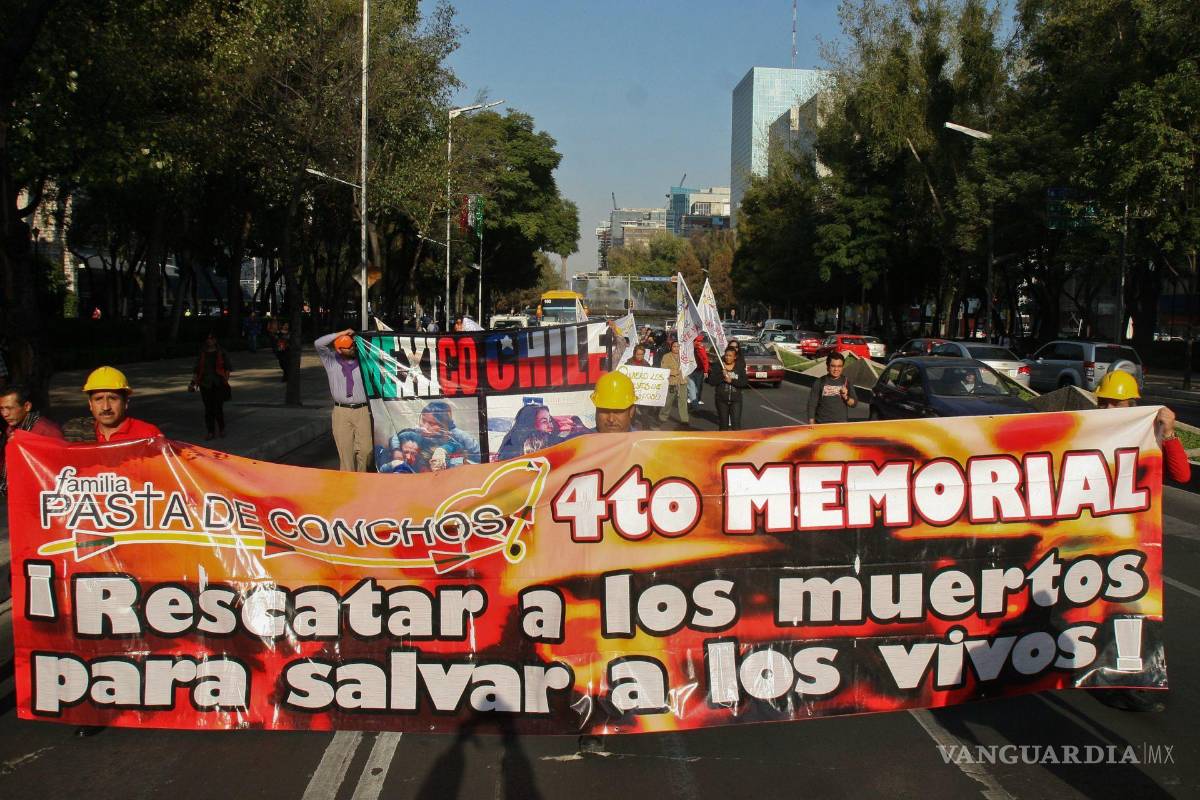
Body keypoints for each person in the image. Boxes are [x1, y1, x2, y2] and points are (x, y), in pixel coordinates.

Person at [1091, 369, 1188, 714]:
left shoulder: (1148, 435)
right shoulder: (1086, 430)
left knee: (1133, 615)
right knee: (1105, 614)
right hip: (1097, 542)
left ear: (1132, 403)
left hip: (1136, 545)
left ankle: (1132, 681)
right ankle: (1117, 679)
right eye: (1103, 402)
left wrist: (1170, 433)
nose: (1107, 409)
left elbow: (1182, 475)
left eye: (1115, 402)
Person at [315, 329, 372, 472]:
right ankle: (349, 484)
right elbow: (318, 343)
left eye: (353, 346)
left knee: (366, 450)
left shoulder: (363, 360)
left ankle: (362, 477)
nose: (352, 349)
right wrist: (342, 333)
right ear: (339, 350)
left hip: (362, 410)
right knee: (345, 452)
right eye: (349, 347)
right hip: (341, 411)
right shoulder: (331, 361)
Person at [0, 383, 64, 494]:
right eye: (2, 409)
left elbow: (60, 468)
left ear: (27, 407)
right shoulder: (11, 428)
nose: (5, 414)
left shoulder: (47, 431)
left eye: (10, 408)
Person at [85, 366, 163, 442]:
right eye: (98, 399)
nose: (106, 407)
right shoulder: (81, 435)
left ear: (125, 402)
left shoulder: (148, 434)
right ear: (90, 404)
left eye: (113, 399)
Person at [189, 333, 232, 440]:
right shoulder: (202, 353)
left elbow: (227, 368)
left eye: (212, 338)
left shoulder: (221, 352)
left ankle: (221, 428)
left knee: (218, 408)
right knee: (208, 409)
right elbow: (196, 369)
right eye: (208, 339)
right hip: (205, 384)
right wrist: (193, 382)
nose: (209, 341)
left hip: (218, 383)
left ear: (215, 340)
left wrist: (225, 380)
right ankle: (210, 431)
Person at [417, 400, 480, 466]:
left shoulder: (462, 437)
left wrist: (456, 461)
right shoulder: (418, 437)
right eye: (423, 420)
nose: (425, 427)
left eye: (432, 423)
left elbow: (481, 461)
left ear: (445, 423)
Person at [806, 352, 858, 424]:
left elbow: (854, 404)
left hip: (840, 424)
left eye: (839, 366)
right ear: (827, 367)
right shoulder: (819, 382)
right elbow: (812, 404)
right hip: (821, 424)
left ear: (842, 367)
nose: (836, 369)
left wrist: (846, 397)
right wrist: (811, 422)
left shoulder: (846, 381)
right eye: (833, 366)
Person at [708, 347, 748, 430]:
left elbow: (744, 382)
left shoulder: (739, 367)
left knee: (736, 424)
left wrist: (732, 381)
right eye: (726, 355)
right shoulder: (718, 366)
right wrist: (722, 375)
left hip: (736, 400)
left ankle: (736, 442)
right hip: (721, 400)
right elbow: (711, 382)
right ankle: (723, 442)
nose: (727, 357)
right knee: (723, 424)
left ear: (735, 357)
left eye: (730, 356)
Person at [657, 339, 690, 428]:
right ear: (671, 347)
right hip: (671, 382)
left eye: (678, 346)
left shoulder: (684, 357)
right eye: (674, 346)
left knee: (683, 402)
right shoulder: (666, 356)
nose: (676, 348)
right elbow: (663, 368)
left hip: (682, 381)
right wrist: (674, 372)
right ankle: (662, 417)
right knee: (668, 401)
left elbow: (689, 366)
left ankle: (684, 420)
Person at [689, 336, 710, 408]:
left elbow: (705, 360)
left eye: (700, 341)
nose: (699, 343)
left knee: (698, 386)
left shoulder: (701, 348)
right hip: (690, 370)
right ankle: (693, 402)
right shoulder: (688, 348)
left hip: (699, 370)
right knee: (691, 386)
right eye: (697, 341)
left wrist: (706, 371)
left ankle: (696, 400)